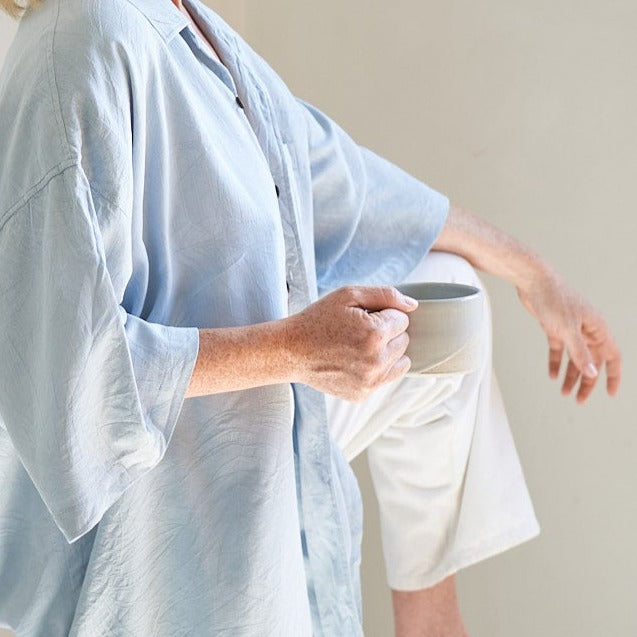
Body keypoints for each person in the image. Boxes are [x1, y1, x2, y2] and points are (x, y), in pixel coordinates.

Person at [0, 0, 621, 636]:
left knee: (448, 297)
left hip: (248, 432)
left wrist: (536, 275)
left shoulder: (203, 38)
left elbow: (349, 190)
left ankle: (432, 625)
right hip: (144, 511)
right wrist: (295, 350)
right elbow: (65, 372)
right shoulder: (83, 43)